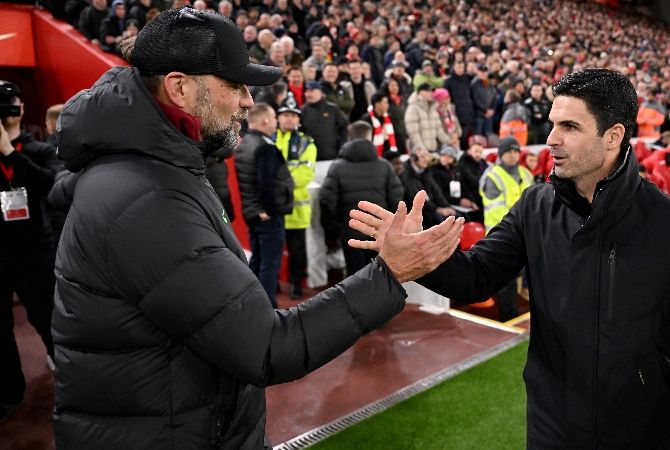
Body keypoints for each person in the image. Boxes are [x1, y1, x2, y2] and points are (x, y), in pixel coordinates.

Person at [52, 8, 463, 448]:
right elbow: (267, 348)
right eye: (234, 85)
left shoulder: (152, 171)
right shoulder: (147, 198)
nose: (249, 100)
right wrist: (389, 273)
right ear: (179, 87)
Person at [349, 69, 670, 449]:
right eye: (553, 124)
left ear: (612, 136)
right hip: (550, 430)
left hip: (638, 435)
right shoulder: (534, 207)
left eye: (570, 126)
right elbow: (476, 277)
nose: (550, 140)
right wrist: (423, 257)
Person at [0, 81, 60, 421]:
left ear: (21, 109)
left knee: (48, 318)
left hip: (34, 251)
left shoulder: (37, 150)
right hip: (1, 253)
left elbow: (51, 185)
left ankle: (67, 380)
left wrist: (9, 153)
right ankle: (10, 392)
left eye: (11, 105)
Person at [320, 121, 403, 276]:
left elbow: (327, 201)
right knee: (380, 275)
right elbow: (396, 199)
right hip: (379, 231)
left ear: (349, 138)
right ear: (369, 137)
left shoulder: (337, 167)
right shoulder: (384, 166)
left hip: (350, 230)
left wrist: (334, 227)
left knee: (355, 277)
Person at [235, 103, 293, 307]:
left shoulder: (245, 144)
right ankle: (267, 309)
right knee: (269, 263)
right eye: (275, 118)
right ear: (265, 120)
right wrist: (267, 210)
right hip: (266, 215)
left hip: (253, 212)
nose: (276, 122)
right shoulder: (265, 147)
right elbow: (267, 183)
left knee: (258, 261)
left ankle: (252, 304)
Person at [479, 136, 532, 321]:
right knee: (507, 281)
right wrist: (522, 221)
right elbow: (495, 210)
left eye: (516, 151)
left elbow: (533, 203)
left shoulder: (526, 173)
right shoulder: (492, 176)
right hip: (500, 235)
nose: (513, 155)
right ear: (501, 154)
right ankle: (508, 318)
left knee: (534, 274)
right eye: (509, 151)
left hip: (525, 233)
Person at [271, 96, 316, 299]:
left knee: (298, 252)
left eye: (292, 116)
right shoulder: (268, 139)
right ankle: (274, 283)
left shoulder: (307, 143)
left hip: (296, 209)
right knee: (273, 248)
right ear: (278, 118)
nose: (289, 119)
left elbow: (305, 175)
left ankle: (296, 283)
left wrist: (278, 184)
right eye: (285, 115)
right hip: (273, 207)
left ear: (298, 120)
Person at [300, 80, 348, 161]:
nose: (308, 94)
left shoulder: (332, 109)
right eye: (306, 91)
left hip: (331, 156)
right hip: (309, 158)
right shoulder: (302, 111)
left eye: (311, 91)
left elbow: (344, 128)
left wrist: (341, 147)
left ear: (320, 92)